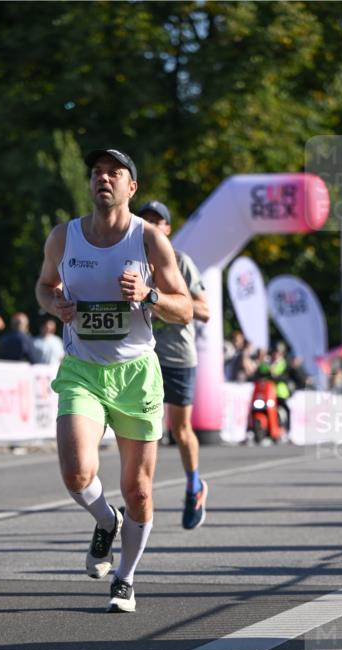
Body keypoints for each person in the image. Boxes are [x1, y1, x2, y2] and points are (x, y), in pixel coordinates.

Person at [35, 147, 191, 612]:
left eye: (114, 173)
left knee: (139, 489)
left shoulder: (149, 241)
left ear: (131, 187)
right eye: (98, 172)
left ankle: (125, 577)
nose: (104, 179)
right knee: (77, 471)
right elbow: (45, 286)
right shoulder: (64, 237)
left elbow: (184, 308)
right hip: (82, 368)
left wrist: (150, 294)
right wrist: (54, 305)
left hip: (137, 373)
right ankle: (106, 522)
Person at [137, 200, 211, 529]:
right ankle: (140, 495)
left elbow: (205, 311)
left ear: (168, 228)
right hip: (143, 356)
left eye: (158, 221)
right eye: (146, 220)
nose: (152, 225)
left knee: (181, 431)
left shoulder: (181, 262)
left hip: (179, 356)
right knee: (145, 431)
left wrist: (162, 300)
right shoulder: (131, 261)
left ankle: (194, 485)